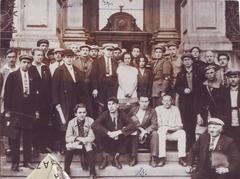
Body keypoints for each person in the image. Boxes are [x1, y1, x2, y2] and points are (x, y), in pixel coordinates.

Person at [4, 55, 39, 171]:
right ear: (20, 62)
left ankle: (27, 161)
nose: (26, 65)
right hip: (15, 112)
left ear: (30, 64)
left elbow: (34, 96)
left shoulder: (33, 77)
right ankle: (15, 162)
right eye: (24, 62)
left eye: (28, 63)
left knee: (28, 138)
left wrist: (36, 111)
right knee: (15, 138)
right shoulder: (12, 76)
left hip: (28, 113)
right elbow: (7, 94)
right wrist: (7, 111)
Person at [52, 49, 88, 153]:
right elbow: (54, 88)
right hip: (64, 102)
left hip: (75, 102)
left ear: (74, 58)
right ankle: (63, 146)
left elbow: (81, 88)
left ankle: (75, 146)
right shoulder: (59, 70)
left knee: (75, 123)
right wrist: (56, 103)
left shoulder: (77, 70)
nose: (69, 59)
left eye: (71, 57)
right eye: (67, 57)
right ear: (63, 58)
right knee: (64, 124)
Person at [92, 97, 136, 169]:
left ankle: (116, 158)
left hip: (119, 140)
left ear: (117, 105)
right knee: (98, 131)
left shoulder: (122, 114)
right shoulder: (105, 114)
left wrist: (119, 132)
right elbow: (94, 124)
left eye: (113, 104)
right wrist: (108, 132)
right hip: (107, 140)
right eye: (109, 104)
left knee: (130, 132)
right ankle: (105, 158)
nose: (111, 106)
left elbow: (133, 125)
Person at [194, 65, 227, 139]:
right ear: (205, 75)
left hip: (216, 115)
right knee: (199, 135)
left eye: (212, 72)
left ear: (215, 73)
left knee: (215, 136)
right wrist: (198, 115)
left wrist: (222, 118)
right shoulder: (201, 87)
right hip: (203, 115)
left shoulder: (221, 88)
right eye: (207, 73)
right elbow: (196, 102)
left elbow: (224, 105)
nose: (210, 75)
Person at [175, 53, 199, 151]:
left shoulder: (197, 73)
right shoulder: (180, 74)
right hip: (185, 101)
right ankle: (186, 146)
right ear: (183, 62)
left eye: (189, 59)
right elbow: (176, 87)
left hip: (195, 101)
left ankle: (194, 146)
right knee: (185, 123)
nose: (187, 61)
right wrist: (183, 90)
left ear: (192, 61)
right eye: (185, 60)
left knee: (194, 123)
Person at [65, 103, 96, 179]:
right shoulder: (71, 122)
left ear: (86, 113)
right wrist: (78, 138)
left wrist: (84, 140)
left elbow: (92, 137)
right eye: (80, 112)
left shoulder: (91, 121)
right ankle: (66, 171)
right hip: (77, 145)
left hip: (88, 146)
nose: (82, 115)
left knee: (88, 145)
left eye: (84, 112)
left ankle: (92, 173)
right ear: (75, 114)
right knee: (68, 147)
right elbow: (67, 138)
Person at [30, 48, 52, 155]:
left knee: (44, 123)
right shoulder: (30, 68)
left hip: (45, 101)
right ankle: (35, 147)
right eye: (38, 55)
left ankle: (43, 146)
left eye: (41, 55)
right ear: (33, 56)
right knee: (35, 124)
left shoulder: (45, 68)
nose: (40, 57)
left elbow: (50, 84)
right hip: (34, 101)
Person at [155, 94, 187, 167]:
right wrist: (172, 127)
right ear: (162, 101)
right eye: (165, 101)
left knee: (182, 132)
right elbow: (159, 124)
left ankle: (181, 157)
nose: (167, 102)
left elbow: (180, 125)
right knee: (161, 131)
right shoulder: (158, 109)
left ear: (172, 101)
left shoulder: (175, 109)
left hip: (173, 133)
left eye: (168, 100)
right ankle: (162, 158)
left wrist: (168, 127)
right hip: (164, 133)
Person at [127, 95, 159, 167]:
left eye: (146, 102)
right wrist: (139, 129)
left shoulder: (152, 111)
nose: (144, 104)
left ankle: (153, 157)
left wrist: (145, 131)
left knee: (155, 133)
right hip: (136, 132)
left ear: (148, 102)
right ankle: (133, 157)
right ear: (139, 102)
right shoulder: (133, 110)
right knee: (134, 132)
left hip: (147, 135)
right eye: (142, 101)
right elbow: (128, 122)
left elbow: (155, 125)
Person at [91, 44, 118, 113]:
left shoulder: (115, 62)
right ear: (103, 51)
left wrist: (115, 86)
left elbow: (116, 76)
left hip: (111, 87)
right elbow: (94, 76)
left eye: (111, 50)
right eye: (107, 50)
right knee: (101, 105)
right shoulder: (97, 61)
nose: (109, 52)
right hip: (101, 87)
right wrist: (95, 88)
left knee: (111, 105)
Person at [73, 44, 93, 116]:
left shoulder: (92, 62)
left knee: (89, 105)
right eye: (83, 50)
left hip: (89, 87)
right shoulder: (75, 62)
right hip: (79, 87)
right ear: (80, 51)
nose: (85, 52)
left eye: (87, 50)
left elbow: (93, 75)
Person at [225, 70, 240, 151]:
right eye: (231, 77)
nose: (233, 79)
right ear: (227, 78)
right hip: (228, 119)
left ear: (239, 78)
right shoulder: (224, 91)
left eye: (235, 77)